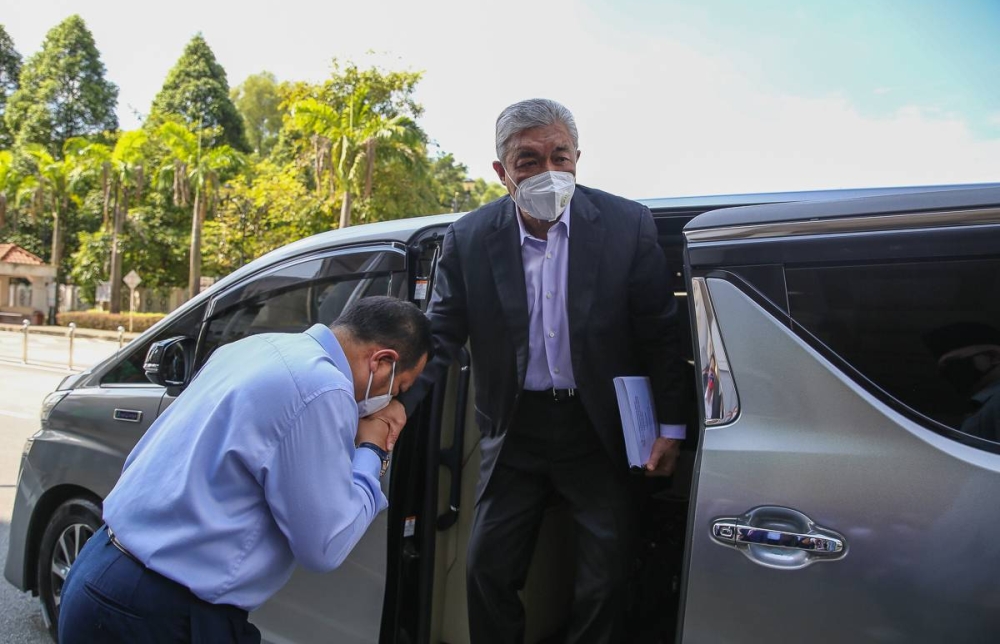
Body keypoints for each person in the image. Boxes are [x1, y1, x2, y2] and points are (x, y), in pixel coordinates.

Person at [386, 98, 690, 643]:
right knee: (486, 569)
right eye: (529, 161)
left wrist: (671, 428)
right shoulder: (470, 238)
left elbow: (658, 330)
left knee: (607, 577)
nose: (549, 172)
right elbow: (441, 336)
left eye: (561, 156)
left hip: (600, 429)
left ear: (578, 158)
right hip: (516, 428)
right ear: (501, 172)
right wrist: (393, 409)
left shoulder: (626, 225)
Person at [57, 296, 432, 643]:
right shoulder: (323, 388)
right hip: (160, 613)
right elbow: (325, 546)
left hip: (101, 569)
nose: (392, 400)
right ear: (382, 361)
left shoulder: (257, 347)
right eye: (399, 387)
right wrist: (371, 447)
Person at [926, 321, 1000, 442]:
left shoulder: (996, 402)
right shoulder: (985, 405)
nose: (949, 373)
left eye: (953, 363)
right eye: (943, 369)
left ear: (994, 357)